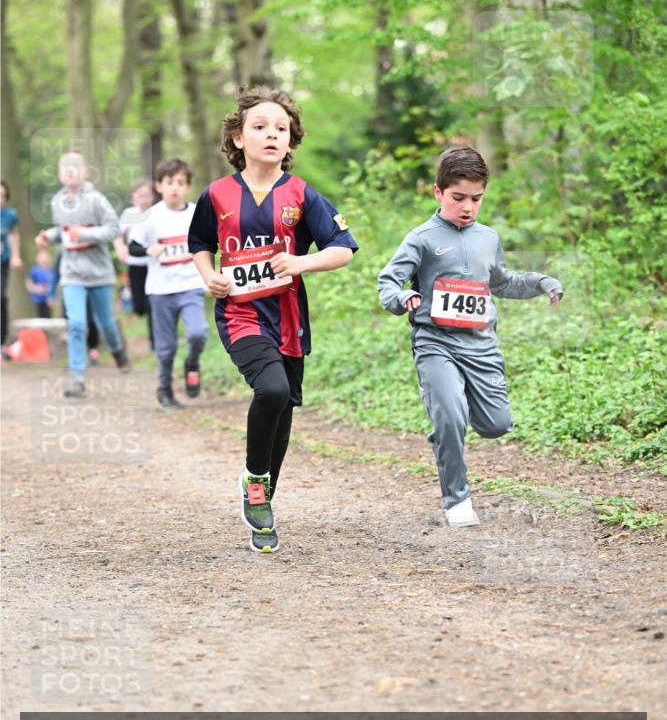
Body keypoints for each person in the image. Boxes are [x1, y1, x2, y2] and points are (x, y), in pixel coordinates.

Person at [189, 85, 358, 554]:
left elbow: (343, 249)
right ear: (238, 139)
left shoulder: (302, 195)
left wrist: (300, 263)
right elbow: (200, 242)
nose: (271, 134)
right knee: (273, 390)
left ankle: (262, 499)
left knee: (282, 416)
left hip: (288, 320)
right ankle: (255, 479)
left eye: (280, 128)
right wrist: (209, 275)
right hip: (240, 313)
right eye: (260, 127)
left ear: (290, 141)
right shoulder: (217, 194)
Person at [378, 145, 563, 528]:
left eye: (476, 199)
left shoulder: (487, 238)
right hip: (435, 343)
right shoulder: (422, 238)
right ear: (438, 192)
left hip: (481, 347)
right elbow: (388, 282)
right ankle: (457, 500)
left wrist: (542, 282)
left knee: (495, 425)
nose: (467, 207)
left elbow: (503, 282)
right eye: (458, 197)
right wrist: (403, 297)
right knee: (450, 416)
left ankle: (460, 401)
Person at [35, 152, 130, 398]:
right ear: (59, 174)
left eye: (75, 167)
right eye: (65, 167)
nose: (70, 171)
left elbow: (113, 229)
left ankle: (118, 350)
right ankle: (77, 379)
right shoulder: (57, 201)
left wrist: (86, 234)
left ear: (85, 172)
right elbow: (62, 231)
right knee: (76, 324)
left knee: (106, 324)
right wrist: (48, 236)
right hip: (72, 273)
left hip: (98, 272)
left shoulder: (96, 200)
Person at [127, 158, 207, 409]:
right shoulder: (150, 216)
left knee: (197, 333)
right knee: (166, 346)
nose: (175, 188)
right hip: (160, 290)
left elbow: (210, 241)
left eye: (181, 183)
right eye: (170, 182)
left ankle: (192, 363)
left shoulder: (197, 213)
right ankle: (165, 389)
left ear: (187, 187)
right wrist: (149, 249)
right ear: (159, 186)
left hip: (191, 285)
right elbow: (133, 246)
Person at [115, 179, 155, 348]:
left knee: (153, 304)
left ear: (152, 197)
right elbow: (117, 235)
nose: (144, 199)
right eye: (140, 196)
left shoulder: (157, 212)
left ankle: (155, 343)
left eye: (147, 195)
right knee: (139, 306)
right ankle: (142, 310)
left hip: (153, 264)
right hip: (135, 263)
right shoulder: (129, 214)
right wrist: (120, 248)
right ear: (133, 198)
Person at [1, 180, 23, 346]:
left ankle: (1, 343)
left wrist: (15, 255)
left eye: (2, 196)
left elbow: (14, 234)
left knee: (1, 298)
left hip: (3, 262)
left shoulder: (10, 215)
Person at [25, 249, 55, 319]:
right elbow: (28, 281)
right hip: (37, 298)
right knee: (39, 316)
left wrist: (52, 297)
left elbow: (53, 284)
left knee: (47, 316)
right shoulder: (34, 270)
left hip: (47, 298)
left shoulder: (51, 270)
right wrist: (32, 289)